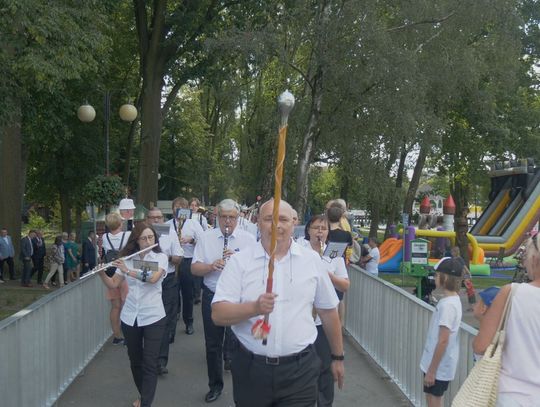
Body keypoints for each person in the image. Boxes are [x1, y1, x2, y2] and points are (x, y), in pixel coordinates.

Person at [212, 199, 345, 407]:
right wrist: (254, 308)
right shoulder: (240, 262)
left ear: (294, 223)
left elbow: (328, 312)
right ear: (258, 223)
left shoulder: (311, 261)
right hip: (251, 370)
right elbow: (218, 314)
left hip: (300, 371)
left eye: (283, 219)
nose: (276, 225)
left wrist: (338, 357)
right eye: (268, 219)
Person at [192, 199, 256, 403]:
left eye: (232, 217)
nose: (228, 221)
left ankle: (243, 386)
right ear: (216, 217)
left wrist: (237, 260)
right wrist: (212, 266)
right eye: (224, 217)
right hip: (213, 294)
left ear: (238, 218)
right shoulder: (206, 237)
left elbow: (256, 271)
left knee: (240, 342)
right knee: (212, 344)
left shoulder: (248, 239)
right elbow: (194, 269)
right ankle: (215, 385)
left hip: (239, 297)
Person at [105, 224, 168, 407]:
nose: (148, 241)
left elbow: (153, 279)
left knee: (150, 363)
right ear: (136, 240)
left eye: (151, 238)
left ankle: (146, 403)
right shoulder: (128, 259)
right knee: (135, 360)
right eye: (144, 238)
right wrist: (102, 272)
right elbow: (113, 284)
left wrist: (127, 271)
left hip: (154, 316)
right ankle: (144, 395)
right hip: (130, 316)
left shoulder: (160, 257)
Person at [473, 236, 540, 406]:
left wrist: (484, 320)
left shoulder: (511, 293)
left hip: (512, 396)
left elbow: (481, 346)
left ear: (535, 259)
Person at [305, 214, 349, 407]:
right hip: (304, 318)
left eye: (323, 229)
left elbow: (345, 285)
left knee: (324, 366)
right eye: (316, 228)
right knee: (304, 367)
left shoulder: (334, 254)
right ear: (308, 231)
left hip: (324, 320)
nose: (320, 232)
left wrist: (327, 275)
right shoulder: (299, 250)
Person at [420, 257, 463, 407]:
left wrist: (432, 370)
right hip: (436, 364)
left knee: (434, 399)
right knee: (431, 396)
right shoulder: (450, 301)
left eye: (437, 275)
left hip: (438, 366)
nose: (434, 278)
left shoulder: (448, 306)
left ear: (445, 278)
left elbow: (443, 340)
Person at [145, 208, 183, 375]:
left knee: (164, 320)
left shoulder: (170, 233)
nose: (156, 221)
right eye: (152, 218)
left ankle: (160, 361)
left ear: (163, 219)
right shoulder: (140, 234)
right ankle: (148, 357)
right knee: (148, 320)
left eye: (159, 218)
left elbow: (178, 258)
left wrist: (164, 258)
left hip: (167, 280)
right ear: (147, 220)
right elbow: (133, 259)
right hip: (146, 281)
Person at [167, 197, 204, 335]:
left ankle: (189, 322)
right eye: (177, 207)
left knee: (188, 294)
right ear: (173, 209)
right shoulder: (168, 224)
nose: (179, 210)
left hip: (188, 261)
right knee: (172, 294)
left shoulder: (193, 224)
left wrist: (191, 239)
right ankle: (172, 324)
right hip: (172, 262)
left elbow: (204, 241)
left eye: (183, 207)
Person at [100, 213, 131, 345]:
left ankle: (117, 336)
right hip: (124, 272)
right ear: (120, 223)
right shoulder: (127, 235)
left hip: (110, 272)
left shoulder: (105, 237)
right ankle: (129, 334)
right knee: (127, 305)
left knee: (115, 307)